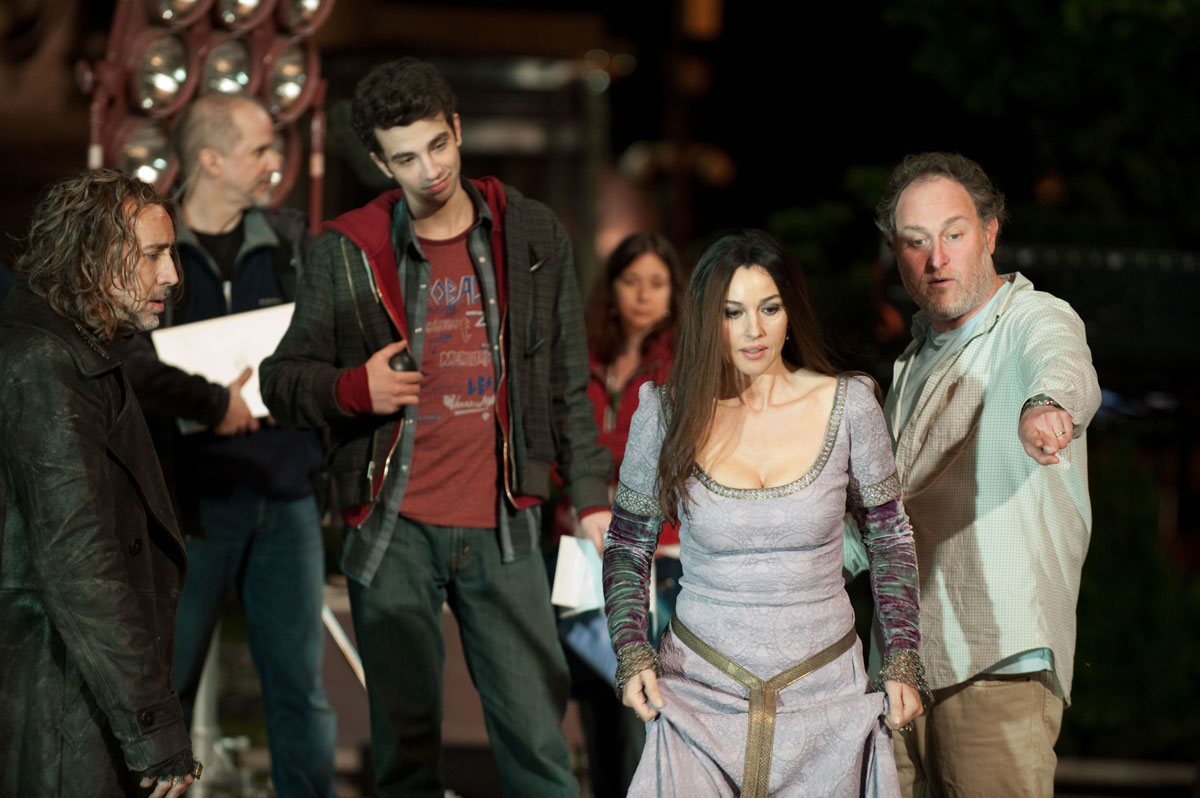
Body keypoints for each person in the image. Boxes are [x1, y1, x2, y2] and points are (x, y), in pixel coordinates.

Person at [259, 57, 613, 797]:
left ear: (456, 128)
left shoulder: (531, 233)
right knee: (405, 754)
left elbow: (568, 384)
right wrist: (356, 388)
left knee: (539, 745)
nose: (430, 171)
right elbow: (281, 381)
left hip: (504, 523)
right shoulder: (348, 251)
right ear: (380, 163)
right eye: (406, 158)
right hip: (394, 528)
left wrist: (589, 496)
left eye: (438, 145)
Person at [602, 229, 927, 798]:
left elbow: (889, 539)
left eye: (769, 308)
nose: (754, 330)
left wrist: (902, 659)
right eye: (733, 313)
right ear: (708, 319)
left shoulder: (849, 403)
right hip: (698, 696)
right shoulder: (665, 412)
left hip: (825, 700)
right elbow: (628, 545)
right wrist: (632, 653)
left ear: (790, 311)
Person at [851, 152, 1101, 798]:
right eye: (916, 242)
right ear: (897, 254)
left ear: (990, 234)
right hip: (901, 670)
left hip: (996, 661)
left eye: (954, 234)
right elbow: (880, 519)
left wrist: (1047, 405)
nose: (936, 259)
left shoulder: (1031, 318)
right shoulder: (911, 364)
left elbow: (1062, 362)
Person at [118, 92, 335, 797]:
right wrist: (214, 404)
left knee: (299, 694)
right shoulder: (151, 247)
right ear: (211, 159)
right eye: (261, 148)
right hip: (190, 505)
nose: (276, 162)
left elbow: (328, 343)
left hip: (285, 494)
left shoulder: (294, 243)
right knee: (167, 684)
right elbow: (130, 362)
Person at [0, 169, 200, 797]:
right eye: (152, 255)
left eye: (171, 254)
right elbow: (81, 566)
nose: (171, 275)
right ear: (90, 258)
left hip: (74, 689)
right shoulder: (47, 364)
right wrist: (156, 730)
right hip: (63, 699)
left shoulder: (72, 349)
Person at [550, 231, 685, 797]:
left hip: (660, 556)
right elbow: (559, 446)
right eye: (631, 281)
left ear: (674, 292)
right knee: (594, 699)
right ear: (611, 287)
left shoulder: (682, 362)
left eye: (657, 282)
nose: (643, 294)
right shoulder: (584, 357)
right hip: (580, 551)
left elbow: (667, 453)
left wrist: (596, 462)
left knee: (646, 703)